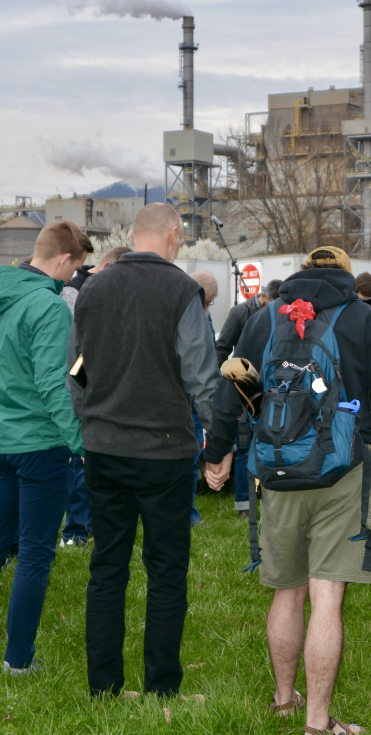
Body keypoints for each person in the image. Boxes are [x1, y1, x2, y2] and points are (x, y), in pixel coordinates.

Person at [202, 245, 371, 735]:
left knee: (286, 591)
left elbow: (229, 387)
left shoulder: (265, 319)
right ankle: (316, 723)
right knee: (326, 597)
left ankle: (283, 700)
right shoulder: (364, 318)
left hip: (277, 469)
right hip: (343, 471)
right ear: (344, 277)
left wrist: (218, 452)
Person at [64, 205, 219, 698]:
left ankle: (104, 687)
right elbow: (201, 375)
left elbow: (73, 371)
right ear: (174, 236)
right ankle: (161, 688)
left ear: (133, 236)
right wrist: (219, 438)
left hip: (104, 448)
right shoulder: (180, 291)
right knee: (166, 570)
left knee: (107, 567)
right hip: (164, 451)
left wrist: (90, 424)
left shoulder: (92, 290)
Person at [0, 220, 92, 675]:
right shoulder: (50, 308)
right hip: (42, 444)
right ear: (65, 259)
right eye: (76, 269)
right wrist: (81, 442)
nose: (73, 279)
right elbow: (54, 384)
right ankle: (18, 660)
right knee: (34, 554)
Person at [59, 245, 133, 548]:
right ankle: (75, 532)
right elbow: (77, 358)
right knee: (80, 467)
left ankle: (89, 527)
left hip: (97, 391)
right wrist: (82, 403)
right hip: (84, 392)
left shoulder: (91, 290)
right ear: (106, 268)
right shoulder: (75, 294)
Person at [216, 277, 282, 515]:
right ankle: (245, 504)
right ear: (263, 296)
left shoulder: (285, 313)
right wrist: (225, 385)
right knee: (245, 447)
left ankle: (270, 499)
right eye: (271, 303)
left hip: (273, 389)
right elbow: (223, 347)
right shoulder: (240, 313)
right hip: (245, 386)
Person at [187, 271, 221, 526]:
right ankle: (187, 513)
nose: (209, 306)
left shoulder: (202, 317)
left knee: (194, 452)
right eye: (208, 301)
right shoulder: (190, 316)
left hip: (195, 402)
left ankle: (189, 512)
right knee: (189, 454)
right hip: (189, 399)